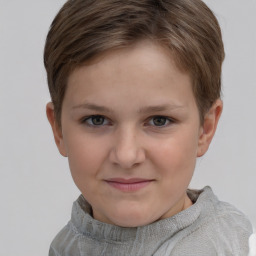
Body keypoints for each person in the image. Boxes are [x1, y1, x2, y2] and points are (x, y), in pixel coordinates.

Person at [44, 0, 253, 255]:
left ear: (205, 129)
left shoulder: (234, 247)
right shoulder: (64, 247)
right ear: (58, 129)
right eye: (96, 119)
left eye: (159, 120)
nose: (126, 155)